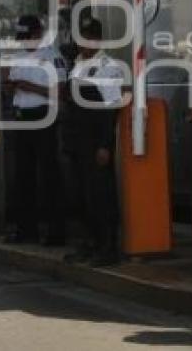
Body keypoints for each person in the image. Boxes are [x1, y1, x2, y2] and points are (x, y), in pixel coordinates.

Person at [63, 17, 125, 267]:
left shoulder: (108, 67)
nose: (83, 44)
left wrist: (105, 145)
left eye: (89, 38)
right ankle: (88, 243)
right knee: (78, 196)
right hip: (76, 141)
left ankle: (106, 247)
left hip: (94, 141)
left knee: (100, 196)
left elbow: (111, 109)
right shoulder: (77, 64)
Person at [4, 15, 68, 245]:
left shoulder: (52, 57)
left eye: (28, 37)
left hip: (43, 117)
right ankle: (26, 229)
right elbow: (14, 84)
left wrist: (28, 86)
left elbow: (60, 91)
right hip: (22, 117)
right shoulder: (19, 57)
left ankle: (56, 231)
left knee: (49, 175)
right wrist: (12, 86)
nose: (24, 42)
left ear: (38, 34)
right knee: (23, 175)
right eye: (22, 38)